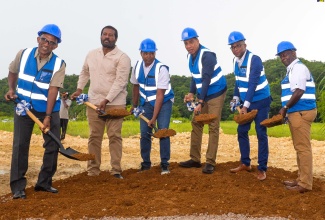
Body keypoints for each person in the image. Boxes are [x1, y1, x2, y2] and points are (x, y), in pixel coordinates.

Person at [4, 24, 66, 199]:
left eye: (51, 42)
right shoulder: (23, 54)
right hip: (23, 107)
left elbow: (53, 90)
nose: (46, 44)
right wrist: (11, 89)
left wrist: (47, 116)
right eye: (44, 39)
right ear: (38, 39)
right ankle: (17, 187)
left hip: (48, 109)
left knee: (52, 146)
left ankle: (44, 183)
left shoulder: (59, 64)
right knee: (20, 146)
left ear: (55, 46)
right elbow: (12, 72)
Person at [70, 25, 131, 179]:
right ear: (100, 36)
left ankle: (116, 170)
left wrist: (106, 99)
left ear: (116, 38)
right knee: (94, 136)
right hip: (93, 102)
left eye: (111, 35)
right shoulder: (91, 54)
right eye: (104, 34)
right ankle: (93, 170)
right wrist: (79, 89)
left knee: (114, 136)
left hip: (115, 104)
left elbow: (120, 82)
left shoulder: (123, 58)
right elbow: (84, 72)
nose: (107, 37)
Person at [178, 27, 227, 174]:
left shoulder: (207, 55)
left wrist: (199, 102)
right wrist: (191, 93)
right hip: (203, 93)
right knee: (196, 122)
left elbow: (206, 79)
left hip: (216, 92)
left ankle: (210, 162)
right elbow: (195, 76)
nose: (189, 46)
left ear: (198, 41)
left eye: (191, 42)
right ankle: (195, 159)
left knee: (213, 125)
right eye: (186, 43)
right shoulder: (190, 57)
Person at [227, 31, 272, 181]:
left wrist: (245, 106)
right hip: (247, 100)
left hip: (261, 100)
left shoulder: (255, 60)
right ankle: (245, 163)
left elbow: (252, 84)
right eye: (233, 47)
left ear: (245, 45)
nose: (236, 49)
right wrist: (235, 99)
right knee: (242, 130)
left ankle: (262, 168)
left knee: (260, 132)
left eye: (238, 45)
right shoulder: (235, 61)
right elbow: (238, 83)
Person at [276, 41, 317, 193]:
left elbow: (299, 90)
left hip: (301, 112)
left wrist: (285, 108)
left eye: (285, 54)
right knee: (300, 148)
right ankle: (301, 178)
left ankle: (305, 184)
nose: (283, 57)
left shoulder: (298, 68)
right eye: (281, 55)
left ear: (294, 52)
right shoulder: (292, 69)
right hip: (298, 112)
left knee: (303, 148)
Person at [130, 38, 174, 175]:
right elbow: (135, 87)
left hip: (164, 102)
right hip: (146, 103)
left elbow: (160, 95)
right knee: (145, 133)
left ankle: (165, 164)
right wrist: (134, 105)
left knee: (162, 131)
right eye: (146, 53)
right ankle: (146, 164)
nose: (149, 56)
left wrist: (153, 118)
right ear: (141, 53)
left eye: (151, 53)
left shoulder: (162, 69)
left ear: (155, 53)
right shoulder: (136, 67)